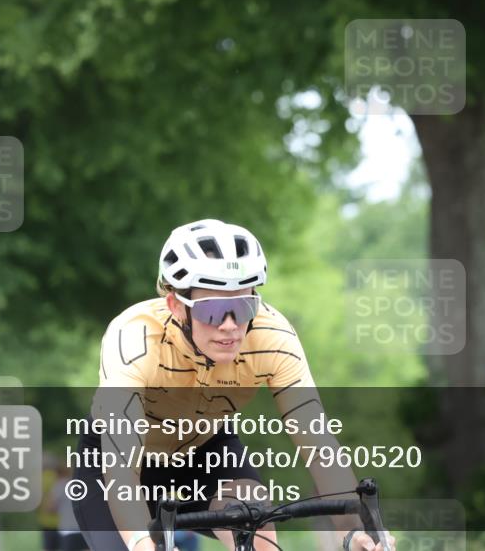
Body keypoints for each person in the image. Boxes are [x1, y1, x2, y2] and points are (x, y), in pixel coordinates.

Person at [72, 219, 396, 551]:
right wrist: (142, 543)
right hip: (119, 458)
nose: (230, 326)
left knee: (258, 532)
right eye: (213, 311)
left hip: (206, 448)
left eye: (243, 307)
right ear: (176, 306)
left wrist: (353, 529)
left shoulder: (272, 337)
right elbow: (122, 472)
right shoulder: (134, 339)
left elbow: (318, 442)